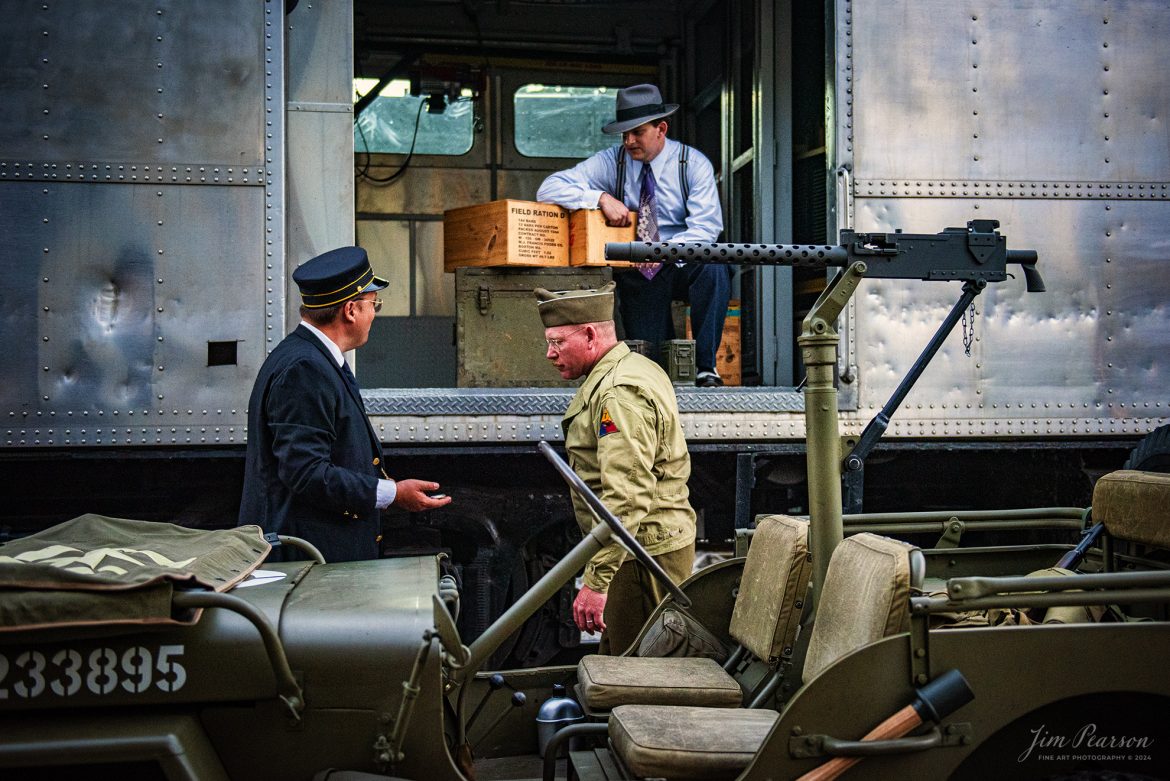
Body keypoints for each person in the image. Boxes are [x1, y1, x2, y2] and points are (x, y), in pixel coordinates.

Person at [239, 246, 451, 562]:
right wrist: (391, 494)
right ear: (351, 310)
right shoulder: (305, 369)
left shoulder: (309, 357)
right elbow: (306, 472)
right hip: (309, 561)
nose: (375, 313)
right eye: (373, 304)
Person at [535, 282, 697, 654]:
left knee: (640, 675)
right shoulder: (634, 367)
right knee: (628, 663)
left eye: (558, 341)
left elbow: (627, 497)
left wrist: (597, 580)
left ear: (590, 335)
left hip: (642, 554)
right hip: (641, 546)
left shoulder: (618, 393)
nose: (549, 353)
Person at [536, 83, 729, 387]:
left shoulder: (692, 164)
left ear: (661, 129)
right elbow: (548, 188)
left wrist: (664, 252)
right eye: (624, 134)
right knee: (650, 361)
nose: (628, 141)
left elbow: (707, 227)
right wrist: (599, 197)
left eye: (637, 132)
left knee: (715, 266)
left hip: (681, 261)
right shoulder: (613, 161)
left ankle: (707, 368)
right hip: (640, 269)